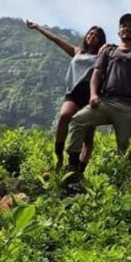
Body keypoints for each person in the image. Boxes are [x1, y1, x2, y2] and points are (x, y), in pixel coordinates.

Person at [64, 13, 131, 176]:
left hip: (128, 107)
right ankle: (74, 168)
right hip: (105, 102)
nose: (126, 28)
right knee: (78, 120)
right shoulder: (109, 52)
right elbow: (96, 75)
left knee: (125, 149)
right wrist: (93, 95)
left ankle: (123, 181)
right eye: (123, 26)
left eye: (130, 26)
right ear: (118, 32)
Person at [26, 20, 107, 169]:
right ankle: (59, 156)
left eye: (96, 35)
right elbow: (56, 40)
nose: (92, 36)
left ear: (100, 40)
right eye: (90, 33)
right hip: (74, 92)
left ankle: (79, 169)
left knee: (88, 137)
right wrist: (38, 27)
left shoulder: (102, 56)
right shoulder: (77, 52)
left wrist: (106, 49)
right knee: (65, 115)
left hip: (91, 95)